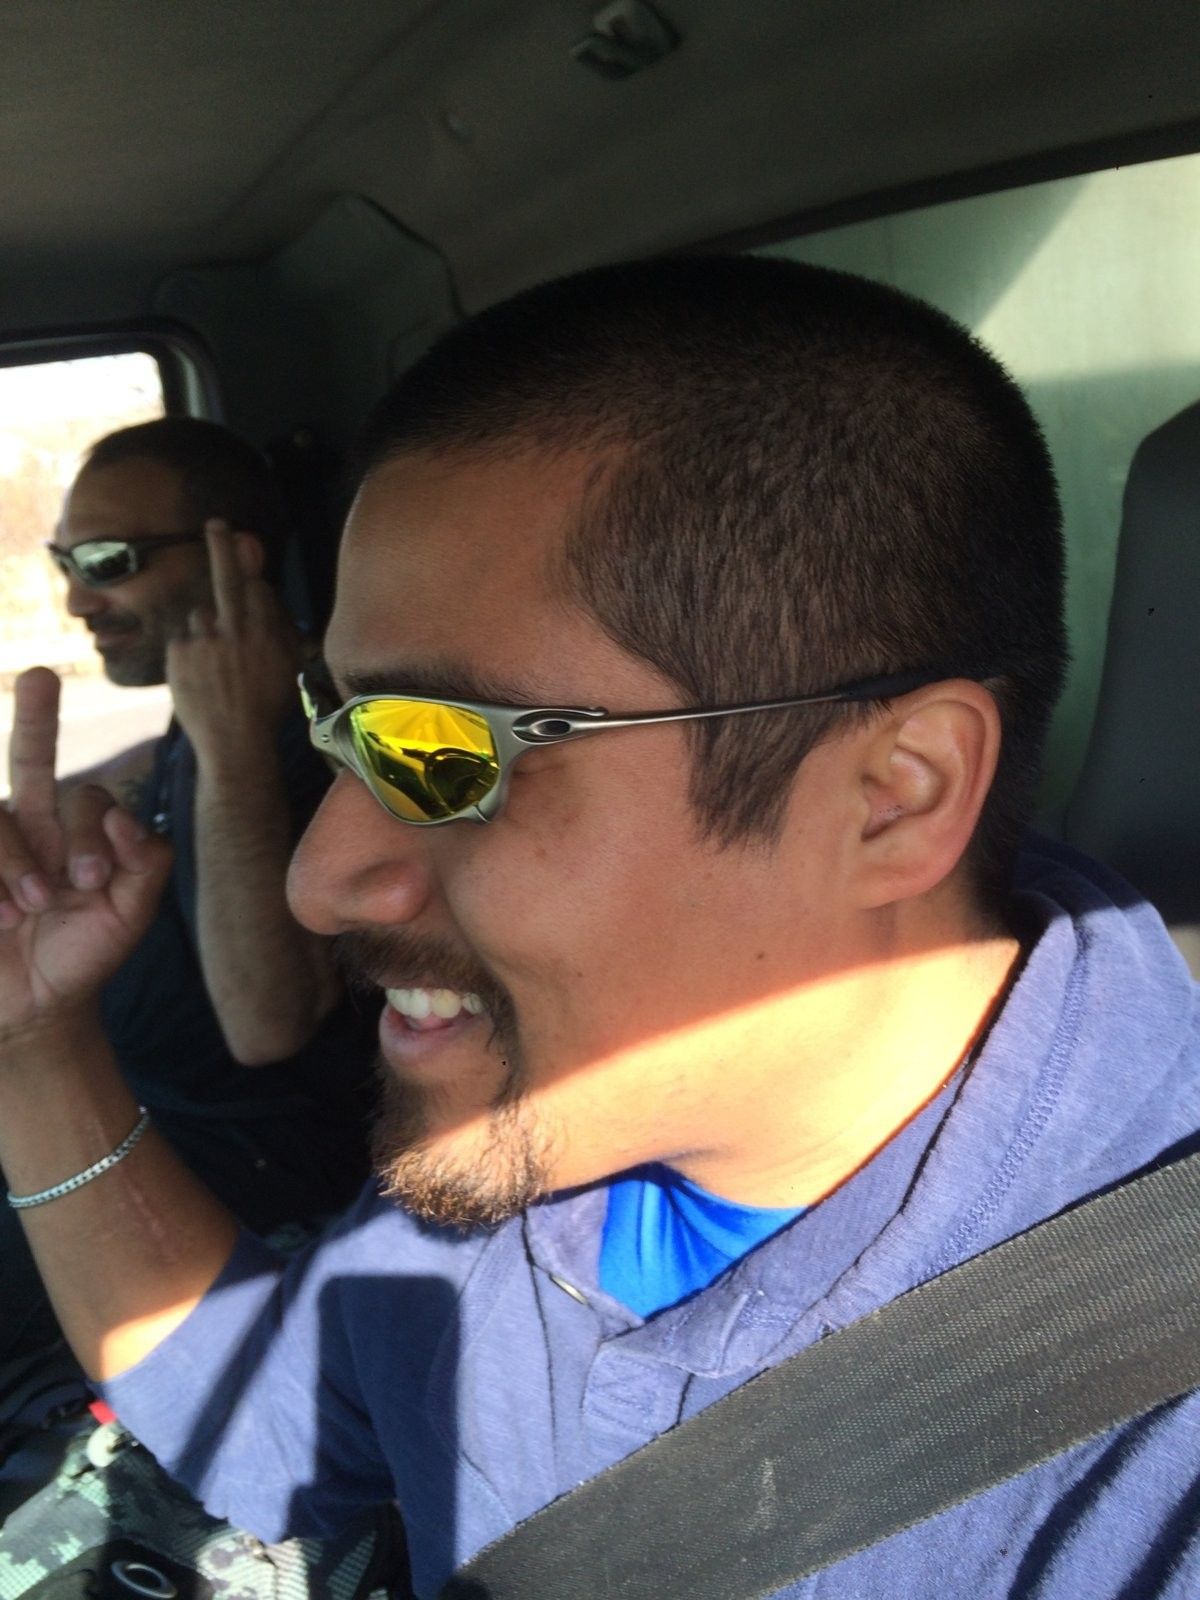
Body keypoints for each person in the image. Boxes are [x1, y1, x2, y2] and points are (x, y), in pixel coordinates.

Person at [0, 259, 1197, 1597]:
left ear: (892, 795)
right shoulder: (551, 1129)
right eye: (342, 729)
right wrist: (35, 1044)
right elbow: (282, 1423)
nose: (320, 882)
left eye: (444, 750)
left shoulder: (1149, 1447)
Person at [1, 419, 375, 1368]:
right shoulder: (206, 699)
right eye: (65, 562)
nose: (78, 596)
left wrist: (233, 746)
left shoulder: (317, 731)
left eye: (108, 561)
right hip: (126, 1107)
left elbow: (267, 1025)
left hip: (225, 1180)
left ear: (230, 557)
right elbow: (150, 784)